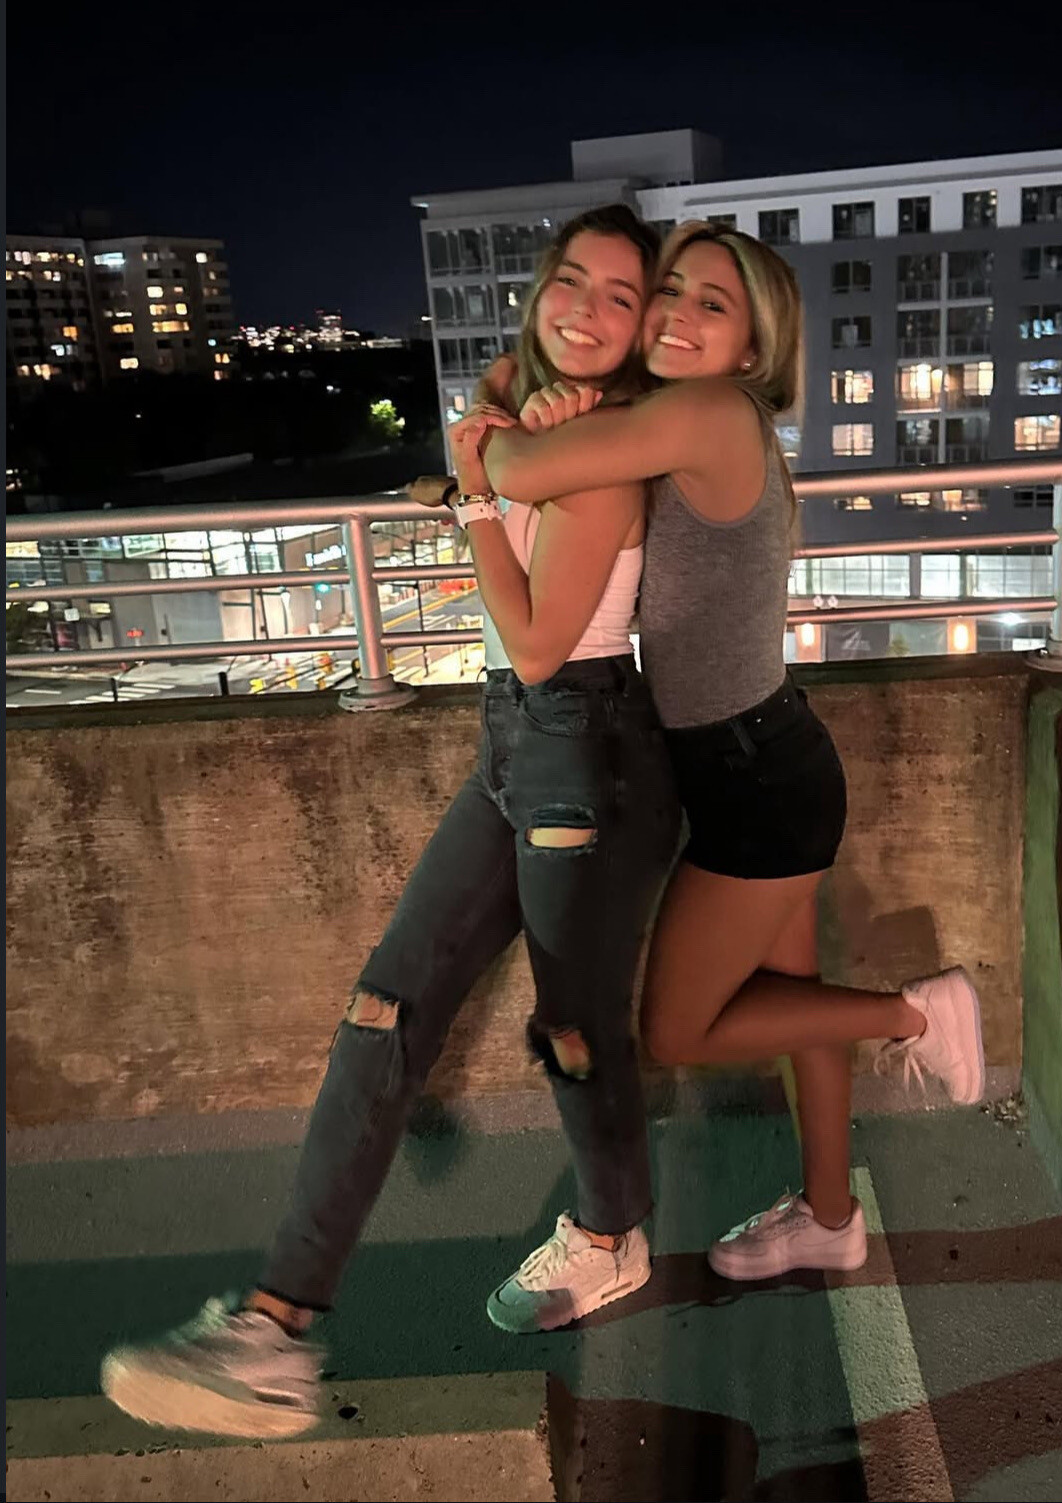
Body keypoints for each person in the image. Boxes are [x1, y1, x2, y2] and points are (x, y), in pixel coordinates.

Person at [99, 205, 681, 1439]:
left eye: (620, 297)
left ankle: (610, 1231)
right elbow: (490, 431)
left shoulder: (612, 448)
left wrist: (475, 496)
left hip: (586, 742)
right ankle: (273, 1328)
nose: (585, 309)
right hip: (511, 742)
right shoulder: (533, 408)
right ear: (541, 288)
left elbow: (539, 641)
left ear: (644, 329)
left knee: (574, 1030)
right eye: (572, 280)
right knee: (383, 1012)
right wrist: (495, 442)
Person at [473, 220, 986, 1282]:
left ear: (754, 347)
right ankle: (832, 1217)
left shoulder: (707, 412)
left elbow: (517, 466)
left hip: (756, 780)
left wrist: (478, 440)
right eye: (668, 293)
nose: (673, 315)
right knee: (797, 1008)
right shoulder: (690, 418)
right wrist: (536, 400)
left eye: (711, 304)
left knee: (675, 1029)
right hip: (760, 760)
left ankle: (915, 1014)